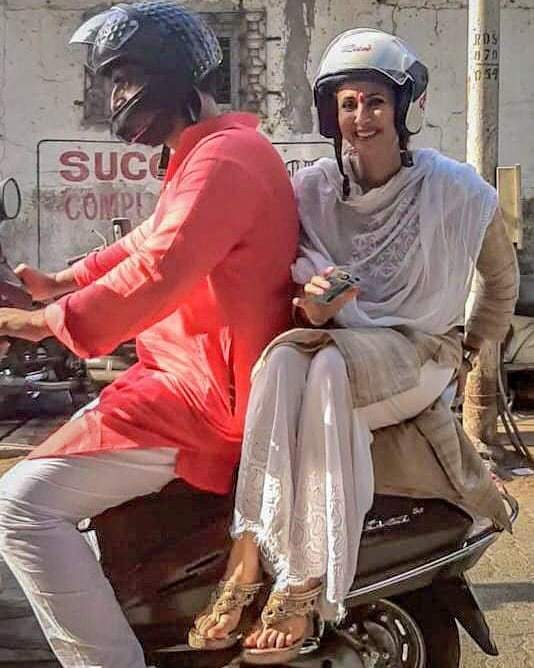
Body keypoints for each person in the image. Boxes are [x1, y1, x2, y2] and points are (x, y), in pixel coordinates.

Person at [189, 28, 519, 664]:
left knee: (323, 370)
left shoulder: (456, 191)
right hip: (336, 347)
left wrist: (470, 349)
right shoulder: (313, 191)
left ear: (404, 110)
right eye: (347, 104)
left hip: (420, 350)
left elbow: (499, 284)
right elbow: (296, 292)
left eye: (374, 102)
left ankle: (307, 576)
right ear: (329, 113)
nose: (360, 117)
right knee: (282, 361)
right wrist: (313, 303)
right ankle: (247, 552)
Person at [0, 3, 298, 667]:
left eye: (124, 77)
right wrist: (58, 283)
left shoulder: (224, 160)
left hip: (202, 402)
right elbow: (148, 240)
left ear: (168, 76)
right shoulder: (209, 154)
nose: (116, 96)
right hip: (178, 380)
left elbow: (157, 270)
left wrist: (35, 323)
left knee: (20, 508)